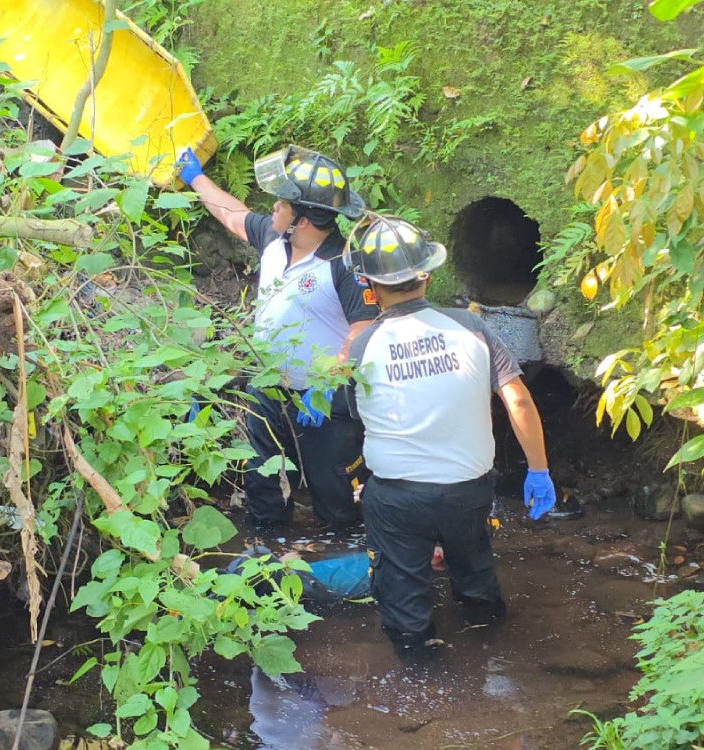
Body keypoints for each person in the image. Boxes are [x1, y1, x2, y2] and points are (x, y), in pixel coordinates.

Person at [343, 215, 557, 655]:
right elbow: (517, 400)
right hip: (468, 490)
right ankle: (491, 651)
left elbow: (360, 417)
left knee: (402, 597)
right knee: (476, 572)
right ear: (425, 274)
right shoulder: (471, 326)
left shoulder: (365, 346)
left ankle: (420, 672)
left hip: (398, 497)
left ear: (370, 285)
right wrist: (539, 470)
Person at [177, 145, 379, 531]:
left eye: (281, 203)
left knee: (338, 499)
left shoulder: (343, 263)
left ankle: (344, 562)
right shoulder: (274, 240)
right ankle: (266, 552)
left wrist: (326, 385)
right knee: (263, 484)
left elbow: (364, 328)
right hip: (267, 389)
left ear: (302, 220)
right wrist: (195, 177)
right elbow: (232, 215)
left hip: (325, 401)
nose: (273, 207)